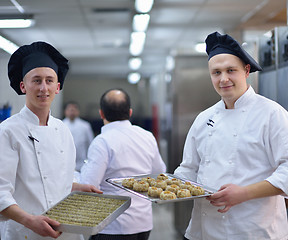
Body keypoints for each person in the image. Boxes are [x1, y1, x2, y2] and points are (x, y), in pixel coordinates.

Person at [174, 31, 288, 240]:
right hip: (207, 229)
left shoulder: (272, 114)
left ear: (246, 71)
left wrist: (243, 193)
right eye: (216, 73)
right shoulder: (204, 118)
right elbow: (189, 169)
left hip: (254, 230)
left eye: (230, 70)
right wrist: (164, 185)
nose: (223, 79)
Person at [0, 41, 101, 240]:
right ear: (23, 86)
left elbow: (50, 178)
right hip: (25, 232)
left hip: (67, 230)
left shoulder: (62, 130)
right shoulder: (8, 131)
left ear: (58, 87)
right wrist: (30, 220)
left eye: (49, 80)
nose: (43, 88)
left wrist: (76, 186)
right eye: (36, 80)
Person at [79, 88, 166, 240]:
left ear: (101, 114)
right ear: (130, 112)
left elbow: (89, 185)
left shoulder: (102, 141)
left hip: (113, 226)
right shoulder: (147, 136)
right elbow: (160, 172)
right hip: (143, 223)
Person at [63, 101, 94, 172]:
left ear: (78, 111)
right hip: (65, 163)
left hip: (81, 163)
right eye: (70, 110)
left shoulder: (85, 126)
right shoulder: (61, 125)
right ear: (65, 111)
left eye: (74, 110)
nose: (72, 112)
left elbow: (90, 144)